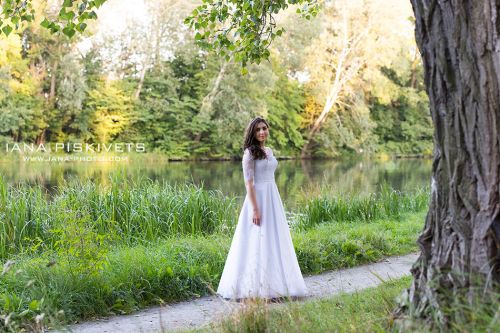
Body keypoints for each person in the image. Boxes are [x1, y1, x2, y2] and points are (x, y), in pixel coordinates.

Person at [216, 116, 308, 302]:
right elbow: (249, 184)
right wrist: (256, 210)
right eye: (258, 129)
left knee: (274, 239)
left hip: (272, 197)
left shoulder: (269, 151)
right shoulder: (249, 154)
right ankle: (252, 288)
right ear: (253, 132)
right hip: (257, 200)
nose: (261, 132)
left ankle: (278, 286)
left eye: (264, 128)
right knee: (256, 241)